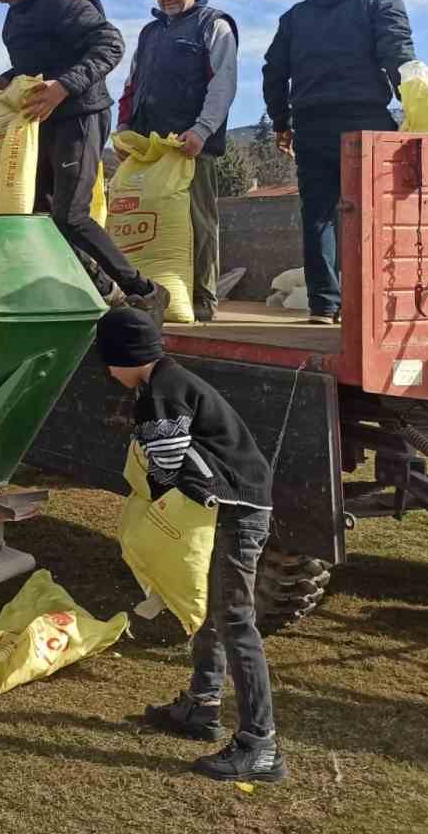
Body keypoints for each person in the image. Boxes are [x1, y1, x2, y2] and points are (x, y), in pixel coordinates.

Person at [97, 306, 284, 783]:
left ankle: (261, 746)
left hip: (235, 512)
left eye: (107, 361)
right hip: (234, 504)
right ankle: (202, 706)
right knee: (212, 607)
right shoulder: (168, 381)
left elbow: (164, 465)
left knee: (237, 620)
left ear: (125, 356)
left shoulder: (161, 392)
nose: (106, 371)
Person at [0, 0, 168, 318]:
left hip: (80, 114)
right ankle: (100, 292)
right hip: (43, 118)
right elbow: (40, 62)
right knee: (41, 216)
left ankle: (145, 290)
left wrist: (64, 87)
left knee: (71, 216)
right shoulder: (20, 12)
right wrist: (7, 80)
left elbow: (110, 44)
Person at [263, 0, 415, 324]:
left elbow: (273, 71)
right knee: (377, 213)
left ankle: (324, 306)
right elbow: (398, 53)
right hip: (365, 122)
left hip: (311, 123)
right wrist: (413, 105)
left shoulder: (296, 16)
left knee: (318, 216)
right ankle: (374, 304)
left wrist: (281, 121)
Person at [118, 0, 238, 322]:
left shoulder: (213, 25)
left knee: (198, 221)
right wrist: (124, 130)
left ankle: (202, 300)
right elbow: (132, 84)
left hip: (188, 145)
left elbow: (223, 83)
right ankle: (148, 295)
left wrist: (201, 130)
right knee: (145, 219)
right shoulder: (149, 33)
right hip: (149, 148)